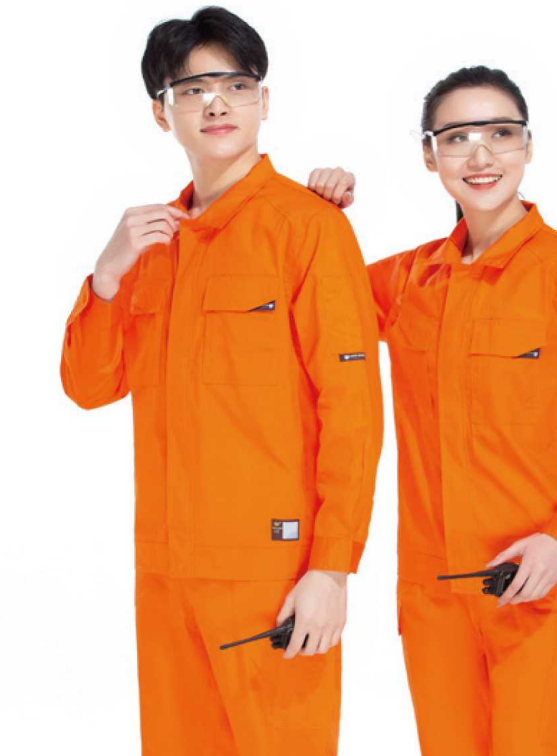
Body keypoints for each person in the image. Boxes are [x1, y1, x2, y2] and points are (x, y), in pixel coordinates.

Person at [59, 7, 383, 755]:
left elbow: (353, 410)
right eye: (192, 89)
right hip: (165, 573)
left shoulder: (308, 226)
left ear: (263, 101)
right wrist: (106, 275)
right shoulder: (150, 245)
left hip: (272, 572)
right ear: (161, 111)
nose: (215, 104)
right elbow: (88, 386)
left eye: (235, 86)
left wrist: (331, 569)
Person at [307, 65, 557, 755]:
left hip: (542, 589)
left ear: (528, 146)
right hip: (435, 599)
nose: (480, 154)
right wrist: (319, 214)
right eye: (457, 137)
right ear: (428, 154)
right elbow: (310, 301)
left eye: (500, 133)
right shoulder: (408, 280)